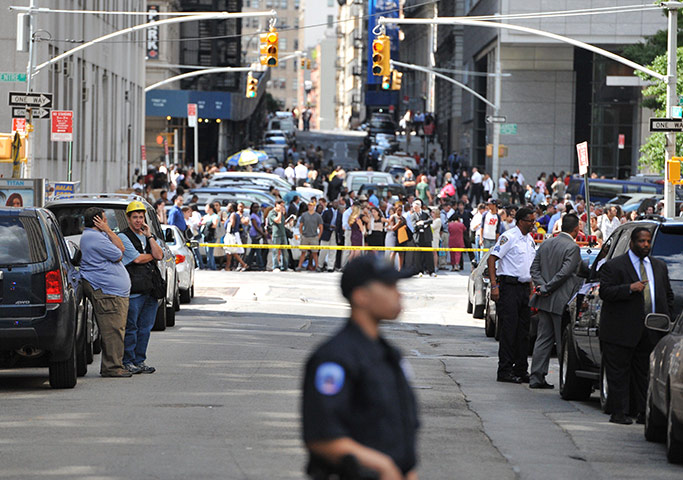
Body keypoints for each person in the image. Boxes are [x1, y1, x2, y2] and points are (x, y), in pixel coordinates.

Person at [301, 256, 419, 480]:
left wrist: (407, 470)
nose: (398, 293)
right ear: (361, 296)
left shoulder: (389, 356)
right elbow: (321, 435)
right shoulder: (334, 358)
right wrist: (383, 466)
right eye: (389, 286)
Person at [598, 227, 674, 425]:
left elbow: (667, 295)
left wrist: (665, 318)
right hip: (620, 331)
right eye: (641, 241)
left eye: (648, 241)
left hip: (651, 331)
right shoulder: (615, 266)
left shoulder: (659, 266)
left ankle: (643, 411)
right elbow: (605, 292)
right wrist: (629, 289)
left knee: (644, 373)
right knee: (619, 373)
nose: (645, 245)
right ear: (632, 242)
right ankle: (619, 413)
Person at [528, 214, 582, 389]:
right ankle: (564, 382)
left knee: (543, 339)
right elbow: (565, 273)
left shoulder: (546, 243)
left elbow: (534, 269)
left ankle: (536, 377)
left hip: (544, 300)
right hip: (561, 300)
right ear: (575, 229)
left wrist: (543, 286)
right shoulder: (573, 247)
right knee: (562, 342)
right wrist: (548, 287)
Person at [79, 207, 132, 378]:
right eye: (104, 220)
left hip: (112, 289)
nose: (107, 223)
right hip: (107, 291)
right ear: (98, 221)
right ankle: (112, 367)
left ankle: (115, 364)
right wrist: (108, 230)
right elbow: (119, 252)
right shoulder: (95, 237)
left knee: (117, 327)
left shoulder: (94, 236)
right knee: (112, 328)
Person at [487, 207, 537, 383]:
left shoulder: (529, 240)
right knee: (509, 330)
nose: (533, 224)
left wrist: (531, 288)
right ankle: (505, 370)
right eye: (531, 221)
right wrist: (494, 286)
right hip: (509, 287)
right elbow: (492, 258)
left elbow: (528, 267)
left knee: (524, 332)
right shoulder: (509, 237)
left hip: (524, 289)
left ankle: (521, 369)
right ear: (521, 221)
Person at [118, 201, 164, 374]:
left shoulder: (147, 235)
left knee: (145, 328)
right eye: (135, 217)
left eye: (141, 217)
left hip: (150, 289)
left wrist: (150, 236)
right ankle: (128, 361)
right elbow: (136, 259)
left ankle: (140, 361)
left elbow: (158, 255)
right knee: (132, 327)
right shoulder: (123, 237)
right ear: (128, 218)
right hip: (135, 289)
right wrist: (150, 256)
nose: (138, 221)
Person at [297, 200, 324, 271]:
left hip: (314, 236)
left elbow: (321, 226)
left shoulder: (318, 216)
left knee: (315, 253)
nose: (310, 206)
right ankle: (299, 266)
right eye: (309, 205)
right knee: (303, 252)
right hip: (305, 236)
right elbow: (301, 225)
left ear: (314, 206)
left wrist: (319, 236)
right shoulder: (304, 215)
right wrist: (302, 233)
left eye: (311, 205)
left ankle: (317, 266)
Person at [268, 200, 289, 271]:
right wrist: (280, 212)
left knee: (285, 251)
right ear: (277, 204)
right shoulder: (272, 213)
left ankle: (285, 266)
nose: (282, 207)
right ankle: (275, 266)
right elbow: (277, 220)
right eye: (281, 205)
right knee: (275, 252)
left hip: (283, 233)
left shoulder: (282, 213)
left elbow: (282, 222)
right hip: (276, 234)